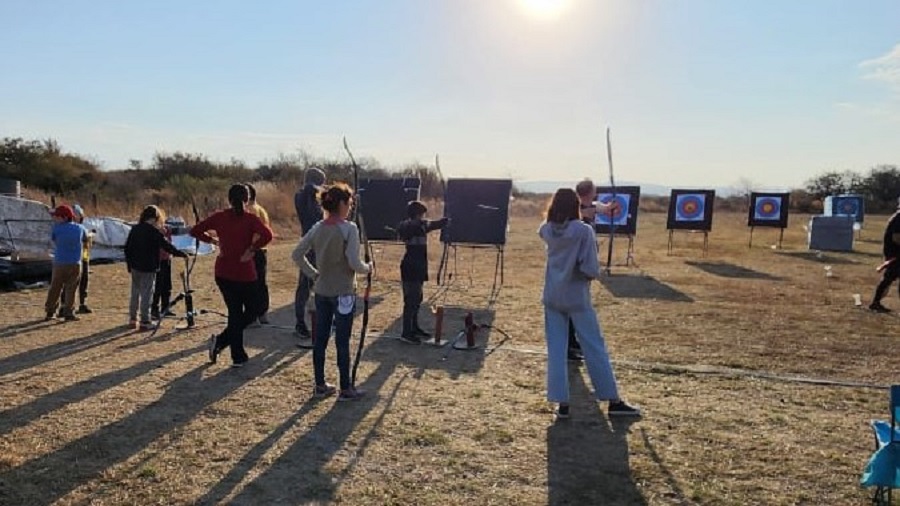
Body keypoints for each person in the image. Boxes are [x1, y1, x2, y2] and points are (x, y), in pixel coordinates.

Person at [539, 188, 640, 419]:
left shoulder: (546, 229)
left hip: (552, 296)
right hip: (576, 297)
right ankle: (613, 400)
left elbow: (551, 228)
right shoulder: (583, 231)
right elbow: (590, 268)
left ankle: (562, 404)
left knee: (556, 350)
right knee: (594, 346)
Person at [292, 183, 371, 401]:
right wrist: (368, 268)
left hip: (322, 291)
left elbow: (297, 254)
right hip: (344, 292)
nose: (350, 207)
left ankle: (320, 385)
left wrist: (314, 274)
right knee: (342, 341)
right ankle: (346, 388)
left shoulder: (318, 227)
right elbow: (354, 262)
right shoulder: (349, 229)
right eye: (349, 203)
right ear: (342, 204)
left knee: (320, 339)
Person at [191, 184, 273, 368]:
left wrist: (212, 240)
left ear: (229, 199)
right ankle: (234, 352)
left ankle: (226, 346)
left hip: (223, 272)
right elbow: (268, 235)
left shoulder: (220, 217)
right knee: (251, 311)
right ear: (247, 199)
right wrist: (252, 249)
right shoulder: (250, 219)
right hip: (244, 272)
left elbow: (195, 230)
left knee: (235, 313)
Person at [125, 206, 188, 330]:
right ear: (154, 218)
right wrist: (180, 253)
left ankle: (133, 319)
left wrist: (129, 265)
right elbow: (166, 245)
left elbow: (127, 248)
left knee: (135, 293)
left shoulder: (135, 229)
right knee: (147, 294)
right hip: (148, 266)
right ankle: (145, 321)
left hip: (135, 266)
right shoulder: (153, 231)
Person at [395, 200, 448, 343]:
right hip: (411, 267)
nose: (423, 216)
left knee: (417, 299)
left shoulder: (417, 225)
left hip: (417, 266)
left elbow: (433, 224)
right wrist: (440, 221)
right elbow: (427, 225)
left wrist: (443, 221)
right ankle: (406, 333)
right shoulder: (411, 225)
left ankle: (414, 327)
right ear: (418, 214)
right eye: (422, 214)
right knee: (411, 300)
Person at [293, 167, 326, 348]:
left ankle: (302, 322)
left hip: (309, 241)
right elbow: (317, 216)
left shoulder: (300, 195)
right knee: (312, 284)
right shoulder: (310, 195)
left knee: (306, 285)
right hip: (315, 242)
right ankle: (306, 323)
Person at [44, 205, 89, 322]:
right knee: (71, 289)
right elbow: (86, 239)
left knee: (55, 288)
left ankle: (50, 311)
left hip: (59, 263)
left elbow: (53, 240)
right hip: (75, 263)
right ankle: (69, 312)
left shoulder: (56, 229)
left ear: (64, 217)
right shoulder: (80, 228)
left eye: (57, 216)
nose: (54, 218)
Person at [246, 183, 272, 325]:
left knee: (250, 284)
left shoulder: (249, 210)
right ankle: (263, 313)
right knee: (261, 283)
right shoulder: (261, 209)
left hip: (251, 250)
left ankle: (253, 316)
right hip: (261, 250)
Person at [869, 199, 900, 312]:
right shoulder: (898, 218)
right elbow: (896, 237)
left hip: (895, 253)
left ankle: (876, 302)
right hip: (895, 254)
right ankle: (875, 302)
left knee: (888, 278)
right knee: (888, 278)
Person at [151, 218, 177, 320]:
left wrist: (193, 228)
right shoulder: (153, 230)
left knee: (167, 285)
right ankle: (154, 310)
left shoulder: (167, 228)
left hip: (167, 260)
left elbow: (178, 230)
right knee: (158, 286)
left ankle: (165, 308)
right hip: (158, 261)